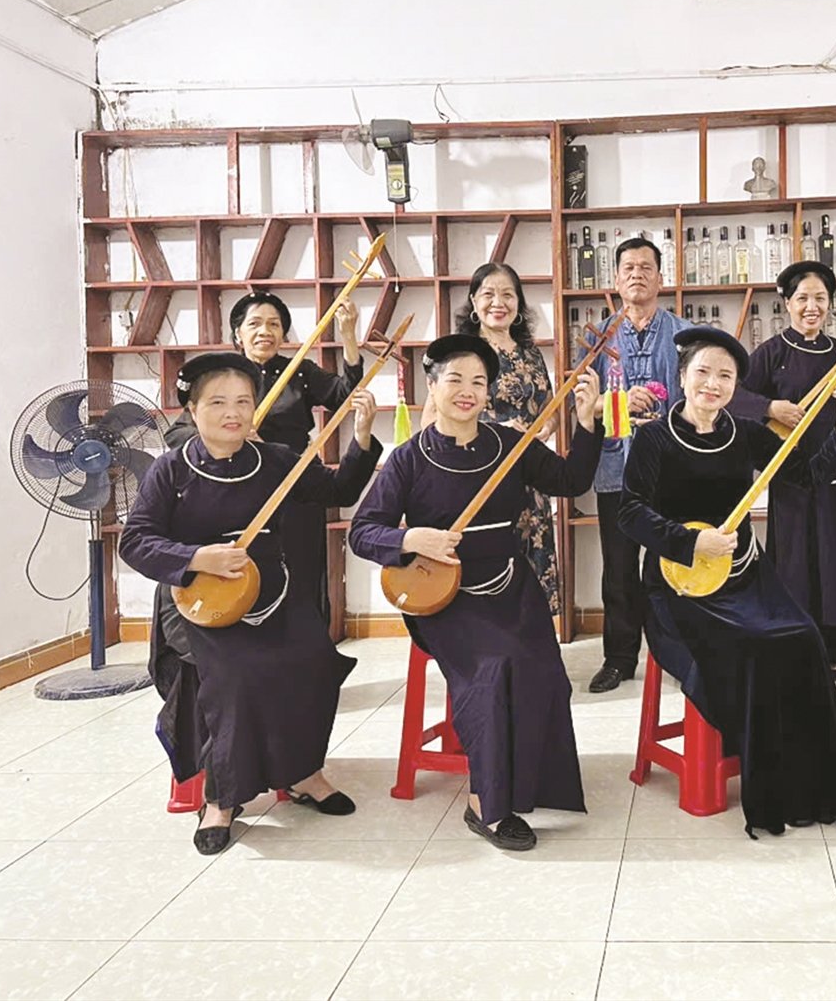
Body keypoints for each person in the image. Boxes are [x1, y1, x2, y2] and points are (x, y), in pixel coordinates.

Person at [618, 326, 836, 841]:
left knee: (803, 639)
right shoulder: (654, 438)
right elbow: (630, 513)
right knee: (749, 646)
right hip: (678, 588)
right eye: (703, 372)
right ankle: (777, 775)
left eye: (725, 376)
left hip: (746, 577)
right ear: (681, 378)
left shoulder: (744, 432)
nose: (713, 384)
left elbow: (808, 475)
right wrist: (687, 542)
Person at [349, 334, 603, 851]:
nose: (467, 391)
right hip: (443, 597)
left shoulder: (507, 445)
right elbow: (362, 531)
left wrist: (587, 421)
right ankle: (485, 804)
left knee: (545, 673)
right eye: (456, 380)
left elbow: (570, 480)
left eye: (479, 382)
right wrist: (408, 539)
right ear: (433, 386)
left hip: (510, 583)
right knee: (493, 670)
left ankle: (531, 784)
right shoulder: (408, 459)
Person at [119, 352, 380, 855]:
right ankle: (221, 798)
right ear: (192, 409)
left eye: (243, 401)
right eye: (217, 402)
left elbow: (340, 488)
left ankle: (304, 772)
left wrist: (363, 436)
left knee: (316, 662)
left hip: (271, 593)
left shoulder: (276, 460)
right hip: (198, 602)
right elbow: (136, 541)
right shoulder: (171, 471)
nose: (232, 412)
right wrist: (196, 557)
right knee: (236, 677)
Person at [163, 289, 365, 627]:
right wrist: (232, 437)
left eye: (274, 324)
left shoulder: (299, 371)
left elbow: (344, 395)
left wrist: (348, 337)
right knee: (248, 576)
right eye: (255, 323)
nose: (265, 331)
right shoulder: (219, 378)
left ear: (284, 335)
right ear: (237, 334)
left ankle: (306, 661)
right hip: (236, 493)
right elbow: (177, 435)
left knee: (301, 573)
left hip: (294, 487)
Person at [742, 261, 836, 682]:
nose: (811, 307)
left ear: (831, 304)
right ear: (786, 303)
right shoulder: (770, 353)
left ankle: (831, 657)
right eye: (803, 299)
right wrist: (769, 407)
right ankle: (796, 655)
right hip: (792, 473)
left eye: (820, 298)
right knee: (795, 560)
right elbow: (737, 396)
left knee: (833, 557)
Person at [584, 236, 694, 693]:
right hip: (616, 465)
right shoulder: (597, 337)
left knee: (674, 563)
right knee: (620, 566)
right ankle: (620, 656)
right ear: (615, 279)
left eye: (646, 267)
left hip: (671, 468)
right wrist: (619, 402)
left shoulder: (685, 334)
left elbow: (700, 399)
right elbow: (583, 400)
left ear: (661, 278)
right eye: (628, 267)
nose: (636, 274)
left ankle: (678, 650)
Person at [449, 263, 562, 621]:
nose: (499, 302)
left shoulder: (530, 353)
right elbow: (447, 413)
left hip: (530, 475)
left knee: (533, 562)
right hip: (484, 474)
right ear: (473, 301)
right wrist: (497, 425)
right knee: (493, 563)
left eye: (508, 294)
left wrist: (546, 426)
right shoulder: (464, 354)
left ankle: (535, 649)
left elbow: (550, 409)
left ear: (519, 302)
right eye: (489, 294)